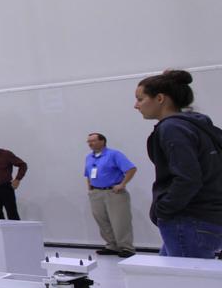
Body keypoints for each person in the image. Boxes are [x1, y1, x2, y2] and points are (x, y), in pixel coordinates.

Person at [134, 69, 222, 259]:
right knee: (168, 272)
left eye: (140, 99)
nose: (136, 105)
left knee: (188, 277)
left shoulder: (172, 128)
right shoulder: (196, 125)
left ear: (160, 98)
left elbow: (188, 178)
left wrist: (163, 210)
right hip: (205, 217)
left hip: (189, 219)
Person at [84, 132, 138, 257]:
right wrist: (90, 188)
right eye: (88, 141)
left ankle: (126, 247)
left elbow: (131, 169)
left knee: (120, 221)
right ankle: (112, 245)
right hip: (96, 193)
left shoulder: (114, 154)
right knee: (102, 220)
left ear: (102, 141)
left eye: (93, 141)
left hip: (113, 193)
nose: (90, 144)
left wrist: (122, 184)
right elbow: (88, 174)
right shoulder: (89, 157)